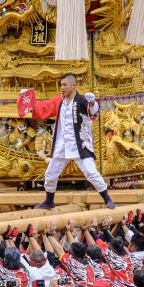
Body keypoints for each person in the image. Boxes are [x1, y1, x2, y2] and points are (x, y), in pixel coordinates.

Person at [26, 73, 115, 209]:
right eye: (61, 85)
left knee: (91, 172)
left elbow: (93, 112)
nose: (62, 87)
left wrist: (92, 103)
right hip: (62, 144)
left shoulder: (82, 100)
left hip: (80, 144)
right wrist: (29, 102)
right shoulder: (58, 100)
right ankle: (49, 200)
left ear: (74, 86)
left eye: (65, 85)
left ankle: (107, 199)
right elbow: (43, 108)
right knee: (50, 173)